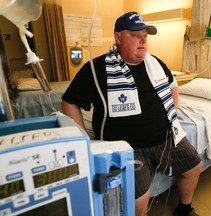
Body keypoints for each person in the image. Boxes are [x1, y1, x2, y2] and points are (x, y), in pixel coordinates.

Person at [61, 11, 202, 216]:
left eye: (145, 36)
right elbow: (69, 101)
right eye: (135, 35)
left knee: (194, 166)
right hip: (128, 147)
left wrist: (172, 115)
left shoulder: (156, 64)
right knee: (138, 202)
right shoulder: (97, 69)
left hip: (165, 138)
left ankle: (184, 210)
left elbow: (173, 86)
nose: (142, 40)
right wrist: (83, 142)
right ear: (118, 37)